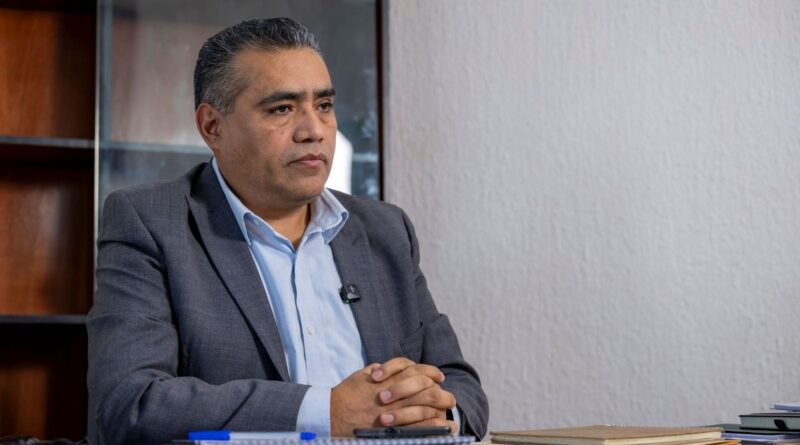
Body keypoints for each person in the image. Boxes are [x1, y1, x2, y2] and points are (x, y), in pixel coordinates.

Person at [86, 17, 488, 445]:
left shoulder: (385, 230)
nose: (313, 130)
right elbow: (129, 403)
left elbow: (461, 387)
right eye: (282, 109)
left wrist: (435, 413)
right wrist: (327, 412)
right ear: (212, 127)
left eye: (324, 106)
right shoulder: (152, 222)